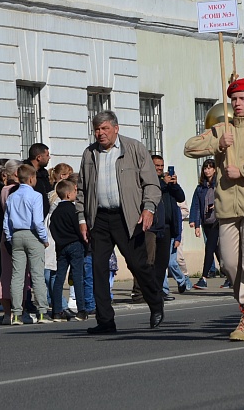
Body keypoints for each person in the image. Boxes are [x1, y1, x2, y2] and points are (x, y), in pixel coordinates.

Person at [184, 77, 244, 341]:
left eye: (242, 98)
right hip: (227, 208)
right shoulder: (221, 130)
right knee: (228, 263)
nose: (238, 104)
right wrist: (218, 144)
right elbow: (189, 147)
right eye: (234, 99)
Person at [76, 110, 163, 334]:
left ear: (116, 128)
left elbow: (152, 184)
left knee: (137, 265)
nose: (100, 133)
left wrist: (148, 209)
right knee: (98, 268)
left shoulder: (134, 149)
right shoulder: (89, 154)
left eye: (105, 128)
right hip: (100, 219)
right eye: (97, 129)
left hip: (128, 218)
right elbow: (82, 191)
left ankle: (155, 304)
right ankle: (106, 320)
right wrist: (82, 220)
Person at [4, 164, 51, 324]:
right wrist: (44, 239)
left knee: (17, 276)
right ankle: (42, 312)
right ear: (31, 178)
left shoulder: (12, 196)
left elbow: (6, 222)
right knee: (37, 274)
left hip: (16, 234)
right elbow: (38, 221)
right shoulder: (36, 196)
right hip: (32, 235)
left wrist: (10, 238)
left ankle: (16, 314)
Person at [150, 155, 191, 296]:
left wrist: (174, 184)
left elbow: (181, 197)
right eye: (157, 165)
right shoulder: (149, 181)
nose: (160, 168)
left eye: (162, 166)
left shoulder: (167, 184)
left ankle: (163, 291)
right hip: (153, 226)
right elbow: (153, 192)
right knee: (154, 261)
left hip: (168, 227)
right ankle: (160, 290)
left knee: (164, 261)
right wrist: (164, 184)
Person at [49, 179, 87, 321]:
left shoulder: (55, 212)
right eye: (75, 192)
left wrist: (59, 241)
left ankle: (57, 311)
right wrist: (84, 243)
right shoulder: (73, 210)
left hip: (61, 247)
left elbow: (52, 228)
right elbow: (79, 228)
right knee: (77, 277)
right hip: (75, 244)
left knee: (59, 278)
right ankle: (81, 310)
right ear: (69, 194)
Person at [189, 159, 220, 290]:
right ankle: (230, 277)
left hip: (217, 222)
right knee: (217, 250)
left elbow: (227, 200)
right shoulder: (200, 188)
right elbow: (195, 205)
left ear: (214, 169)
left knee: (209, 248)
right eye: (205, 168)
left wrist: (216, 205)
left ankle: (204, 278)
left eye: (210, 168)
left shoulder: (219, 185)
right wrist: (195, 224)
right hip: (206, 222)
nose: (207, 170)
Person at [23, 143, 53, 216]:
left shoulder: (44, 173)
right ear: (39, 157)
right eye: (47, 155)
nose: (49, 158)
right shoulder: (24, 173)